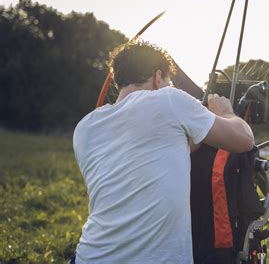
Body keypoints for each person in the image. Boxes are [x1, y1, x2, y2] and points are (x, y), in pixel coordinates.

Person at [72, 41, 254, 263]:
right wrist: (227, 113)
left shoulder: (85, 127)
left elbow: (164, 148)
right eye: (168, 81)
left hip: (88, 256)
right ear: (158, 77)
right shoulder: (169, 99)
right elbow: (244, 140)